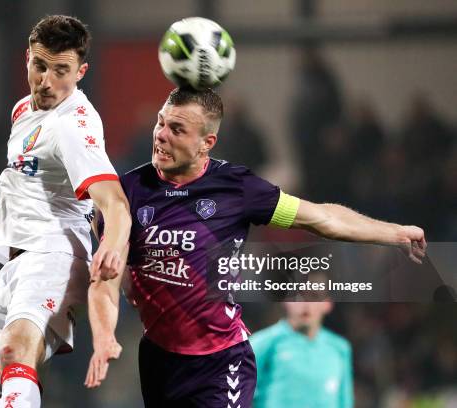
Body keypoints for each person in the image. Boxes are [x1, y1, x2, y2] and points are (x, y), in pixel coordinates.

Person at [85, 87, 426, 407]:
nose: (161, 134)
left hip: (221, 359)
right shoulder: (127, 191)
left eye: (176, 129)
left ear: (207, 142)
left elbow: (321, 218)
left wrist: (394, 232)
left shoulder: (236, 188)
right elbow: (106, 277)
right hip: (159, 358)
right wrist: (104, 333)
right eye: (161, 122)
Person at [0, 15, 131, 408]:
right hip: (14, 262)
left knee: (16, 349)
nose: (47, 81)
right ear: (27, 58)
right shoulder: (23, 110)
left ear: (81, 71)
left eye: (61, 71)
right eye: (39, 66)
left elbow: (114, 201)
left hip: (53, 256)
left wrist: (111, 246)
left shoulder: (73, 126)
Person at [250, 274, 354, 408]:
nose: (306, 304)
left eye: (314, 296)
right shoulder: (261, 344)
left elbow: (345, 402)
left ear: (327, 304)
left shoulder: (340, 348)